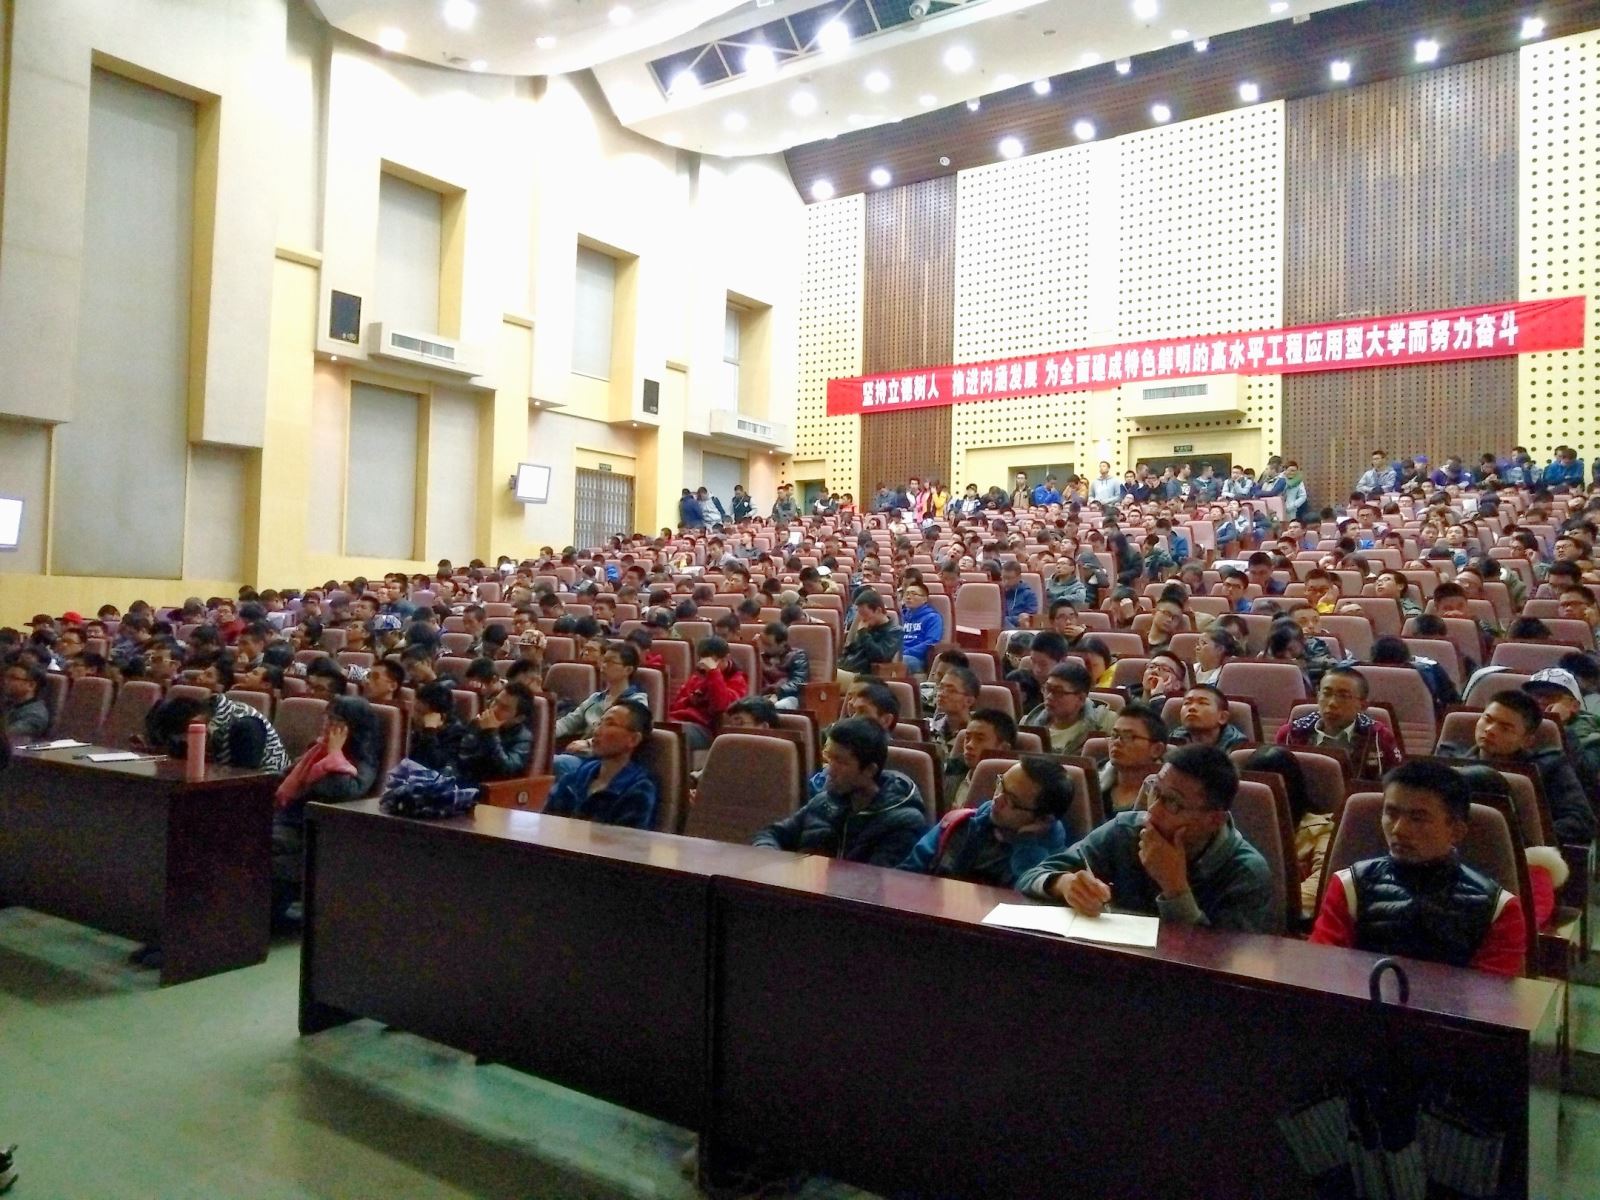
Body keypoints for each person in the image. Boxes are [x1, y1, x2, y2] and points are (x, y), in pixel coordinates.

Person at [1017, 745, 1274, 932]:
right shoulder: (1125, 830)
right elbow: (1031, 876)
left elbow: (1221, 967)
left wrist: (1175, 887)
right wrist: (1064, 884)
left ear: (1214, 820)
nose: (1152, 811)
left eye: (1172, 803)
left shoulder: (1246, 872)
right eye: (1155, 792)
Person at [1309, 760, 1526, 976]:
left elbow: (1492, 993)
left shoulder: (1499, 909)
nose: (1398, 829)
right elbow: (1323, 974)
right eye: (1391, 814)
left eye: (1418, 819)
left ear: (1456, 831)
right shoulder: (1349, 887)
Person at [752, 717, 929, 866]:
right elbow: (771, 834)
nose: (830, 770)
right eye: (830, 759)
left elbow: (873, 884)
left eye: (841, 762)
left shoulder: (902, 822)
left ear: (869, 770)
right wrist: (773, 861)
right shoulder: (825, 802)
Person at [271, 696, 382, 924]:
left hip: (313, 828)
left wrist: (335, 755)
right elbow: (283, 778)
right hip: (288, 817)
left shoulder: (362, 761)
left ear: (352, 727)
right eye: (327, 717)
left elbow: (340, 791)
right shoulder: (317, 749)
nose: (326, 724)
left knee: (261, 843)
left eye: (334, 720)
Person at [1435, 691, 1596, 846]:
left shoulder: (1549, 766)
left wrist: (1526, 837)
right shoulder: (1449, 758)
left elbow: (1581, 821)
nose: (1490, 730)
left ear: (1527, 741)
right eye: (1487, 719)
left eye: (1505, 728)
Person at [900, 756, 1072, 887]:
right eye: (1001, 784)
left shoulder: (1056, 866)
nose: (997, 799)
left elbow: (1029, 907)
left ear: (1043, 819)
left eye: (1011, 800)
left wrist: (1026, 844)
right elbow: (905, 877)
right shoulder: (959, 823)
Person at [1243, 746, 1331, 920]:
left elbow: (1321, 884)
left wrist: (1264, 904)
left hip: (1287, 921)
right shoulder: (1232, 822)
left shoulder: (1321, 828)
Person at [544, 702, 659, 829]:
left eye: (610, 724)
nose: (597, 731)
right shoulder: (579, 774)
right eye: (599, 723)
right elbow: (548, 819)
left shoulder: (639, 790)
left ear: (633, 739)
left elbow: (625, 839)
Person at [1276, 665, 1401, 776]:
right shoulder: (1291, 734)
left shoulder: (1379, 737)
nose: (1332, 703)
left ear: (1362, 705)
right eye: (1326, 694)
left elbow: (1395, 782)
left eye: (1343, 696)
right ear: (1318, 696)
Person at [552, 641, 648, 777]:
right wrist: (545, 734)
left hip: (607, 761)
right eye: (604, 660)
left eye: (610, 662)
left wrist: (588, 743)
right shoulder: (596, 698)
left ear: (628, 670)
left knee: (557, 763)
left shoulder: (636, 702)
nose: (603, 666)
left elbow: (624, 737)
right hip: (581, 755)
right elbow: (568, 722)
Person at [142, 688, 290, 773]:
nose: (183, 744)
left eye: (183, 739)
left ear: (196, 723)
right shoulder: (208, 714)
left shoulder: (245, 726)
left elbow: (243, 777)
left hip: (266, 788)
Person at [667, 636, 747, 750]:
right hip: (680, 720)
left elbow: (721, 706)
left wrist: (714, 673)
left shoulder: (737, 680)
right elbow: (676, 706)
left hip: (706, 728)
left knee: (674, 734)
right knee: (657, 730)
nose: (706, 665)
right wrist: (691, 699)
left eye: (712, 661)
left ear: (726, 658)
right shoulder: (697, 677)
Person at [1021, 661, 1116, 756]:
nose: (1049, 696)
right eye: (1047, 689)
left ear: (1081, 698)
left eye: (1058, 692)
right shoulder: (1028, 723)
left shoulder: (1105, 722)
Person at [455, 681, 536, 784]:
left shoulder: (523, 738)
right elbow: (462, 759)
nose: (494, 709)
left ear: (519, 718)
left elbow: (506, 769)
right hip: (464, 782)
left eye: (504, 708)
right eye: (495, 702)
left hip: (492, 788)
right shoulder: (478, 723)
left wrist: (490, 733)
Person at [1100, 706, 1168, 816]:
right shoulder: (1092, 782)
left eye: (1128, 737)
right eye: (1114, 735)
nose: (1116, 742)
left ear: (1157, 749)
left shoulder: (1167, 793)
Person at [943, 708, 1016, 811]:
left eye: (980, 739)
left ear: (1004, 748)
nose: (969, 745)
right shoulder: (950, 773)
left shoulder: (1008, 791)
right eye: (967, 738)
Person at [836, 589, 903, 679]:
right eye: (860, 614)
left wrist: (863, 634)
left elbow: (880, 656)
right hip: (847, 669)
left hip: (865, 677)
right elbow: (849, 652)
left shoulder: (895, 631)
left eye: (865, 614)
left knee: (831, 675)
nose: (862, 619)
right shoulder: (867, 627)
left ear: (878, 610)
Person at [1166, 684, 1250, 752]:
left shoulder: (1237, 748)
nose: (1192, 708)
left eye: (1202, 703)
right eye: (1187, 703)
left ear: (1222, 717)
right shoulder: (1173, 741)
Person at [407, 680, 467, 772]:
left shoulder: (457, 735)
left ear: (440, 716)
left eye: (420, 712)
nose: (414, 716)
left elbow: (436, 765)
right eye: (415, 710)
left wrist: (430, 731)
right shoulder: (413, 728)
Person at [755, 622, 809, 710]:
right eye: (763, 643)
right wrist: (755, 652)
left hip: (787, 696)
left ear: (782, 644)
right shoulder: (760, 656)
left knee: (776, 707)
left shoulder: (797, 656)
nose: (764, 647)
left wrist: (777, 692)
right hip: (763, 695)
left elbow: (798, 682)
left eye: (768, 644)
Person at [928, 665, 979, 758]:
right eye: (941, 688)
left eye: (951, 691)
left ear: (969, 701)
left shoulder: (976, 735)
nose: (941, 694)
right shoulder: (929, 727)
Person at [899, 580, 943, 674]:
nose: (908, 597)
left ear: (924, 599)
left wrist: (905, 652)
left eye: (914, 594)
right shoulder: (900, 616)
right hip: (898, 654)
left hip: (917, 658)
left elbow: (931, 642)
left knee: (902, 660)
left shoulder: (933, 617)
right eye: (906, 594)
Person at [0, 661, 50, 739]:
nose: (5, 681)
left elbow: (7, 735)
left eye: (13, 678)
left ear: (31, 685)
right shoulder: (9, 703)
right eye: (5, 677)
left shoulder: (35, 715)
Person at [1000, 561, 1039, 630]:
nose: (1006, 581)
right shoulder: (998, 593)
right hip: (999, 628)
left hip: (1020, 630)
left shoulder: (1029, 594)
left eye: (1009, 578)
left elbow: (1030, 618)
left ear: (1019, 577)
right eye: (1003, 578)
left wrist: (1007, 620)